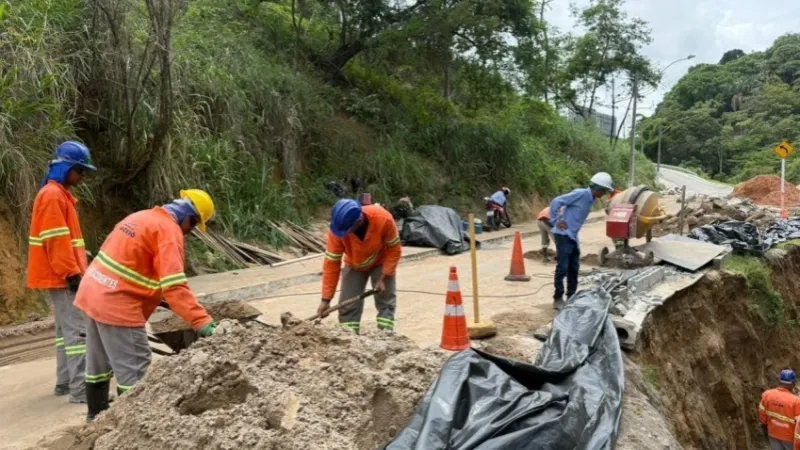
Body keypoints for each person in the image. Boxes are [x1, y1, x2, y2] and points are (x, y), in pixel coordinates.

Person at [74, 189, 218, 423]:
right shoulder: (169, 232)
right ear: (188, 218)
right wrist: (203, 322)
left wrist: (153, 293)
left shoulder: (140, 217)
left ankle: (95, 418)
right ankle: (135, 428)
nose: (189, 232)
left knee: (98, 361)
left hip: (92, 292)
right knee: (135, 366)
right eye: (192, 227)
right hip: (117, 304)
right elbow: (175, 286)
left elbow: (131, 264)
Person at [27, 141, 97, 404]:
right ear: (67, 168)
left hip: (58, 273)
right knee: (78, 332)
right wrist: (72, 274)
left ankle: (65, 382)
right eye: (80, 171)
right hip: (62, 275)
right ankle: (82, 391)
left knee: (64, 332)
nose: (82, 177)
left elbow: (64, 239)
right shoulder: (53, 196)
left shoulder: (56, 195)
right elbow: (56, 239)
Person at [317, 199, 402, 333]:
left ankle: (386, 335)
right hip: (354, 264)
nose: (344, 234)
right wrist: (326, 299)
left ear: (358, 221)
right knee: (348, 305)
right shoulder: (337, 231)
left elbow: (394, 249)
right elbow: (331, 265)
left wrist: (383, 277)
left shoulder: (383, 218)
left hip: (381, 260)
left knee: (385, 300)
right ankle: (349, 339)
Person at [549, 172, 615, 310]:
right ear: (597, 188)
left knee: (574, 267)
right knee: (563, 267)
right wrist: (556, 221)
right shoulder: (580, 194)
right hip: (563, 234)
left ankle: (571, 296)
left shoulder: (592, 199)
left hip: (572, 235)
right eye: (603, 191)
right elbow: (557, 201)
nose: (603, 194)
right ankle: (558, 298)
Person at [760, 369, 800, 450]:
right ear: (793, 383)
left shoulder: (767, 394)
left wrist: (765, 427)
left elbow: (762, 414)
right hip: (789, 437)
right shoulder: (796, 401)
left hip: (773, 432)